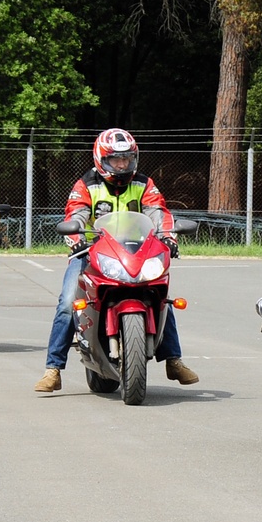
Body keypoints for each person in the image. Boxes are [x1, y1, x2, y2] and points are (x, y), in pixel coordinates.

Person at [34, 128, 199, 392]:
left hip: (136, 253)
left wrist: (169, 236)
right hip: (91, 252)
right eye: (116, 160)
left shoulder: (143, 184)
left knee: (161, 294)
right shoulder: (86, 184)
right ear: (101, 159)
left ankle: (173, 360)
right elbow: (75, 213)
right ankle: (53, 369)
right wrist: (76, 237)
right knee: (67, 303)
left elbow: (158, 211)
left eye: (127, 159)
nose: (122, 165)